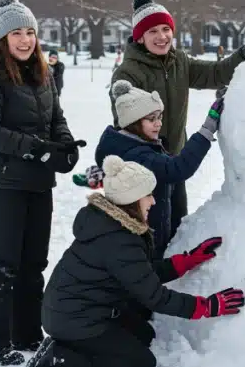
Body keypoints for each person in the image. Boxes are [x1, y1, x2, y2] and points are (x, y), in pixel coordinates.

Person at [23, 156, 244, 367]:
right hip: (74, 319)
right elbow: (154, 296)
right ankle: (59, 360)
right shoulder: (118, 240)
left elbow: (139, 274)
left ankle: (71, 345)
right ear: (131, 201)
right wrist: (207, 307)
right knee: (141, 363)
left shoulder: (110, 224)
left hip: (76, 310)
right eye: (148, 195)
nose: (153, 202)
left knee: (144, 335)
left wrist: (186, 261)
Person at [0, 0, 84, 366]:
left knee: (34, 261)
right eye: (16, 33)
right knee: (4, 261)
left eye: (30, 32)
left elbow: (56, 119)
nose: (25, 40)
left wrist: (64, 146)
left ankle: (27, 331)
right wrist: (37, 149)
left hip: (38, 182)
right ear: (3, 38)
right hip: (1, 183)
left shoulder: (43, 75)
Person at [110, 0, 245, 235]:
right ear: (140, 36)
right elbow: (125, 121)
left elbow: (216, 74)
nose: (162, 37)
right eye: (153, 31)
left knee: (175, 229)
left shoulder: (179, 62)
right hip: (144, 170)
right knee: (150, 235)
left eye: (166, 29)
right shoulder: (128, 73)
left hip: (174, 162)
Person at [92, 80, 223, 256]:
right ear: (133, 122)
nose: (159, 123)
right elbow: (178, 168)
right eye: (151, 119)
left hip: (145, 237)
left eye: (160, 116)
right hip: (147, 242)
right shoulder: (137, 155)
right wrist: (207, 129)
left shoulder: (130, 144)